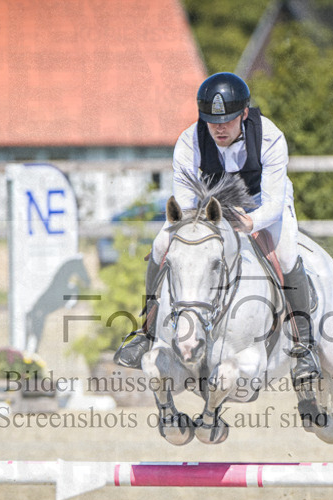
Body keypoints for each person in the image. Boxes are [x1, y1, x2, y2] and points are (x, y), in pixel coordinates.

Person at [113, 72, 320, 387]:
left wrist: (253, 222)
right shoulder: (189, 141)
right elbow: (182, 204)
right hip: (206, 211)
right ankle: (147, 330)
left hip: (262, 207)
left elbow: (275, 202)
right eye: (212, 121)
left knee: (288, 254)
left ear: (244, 114)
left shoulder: (270, 138)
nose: (219, 128)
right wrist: (200, 223)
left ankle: (304, 346)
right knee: (160, 245)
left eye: (227, 120)